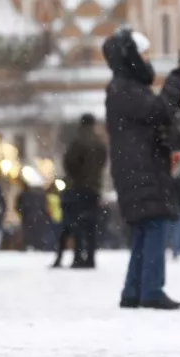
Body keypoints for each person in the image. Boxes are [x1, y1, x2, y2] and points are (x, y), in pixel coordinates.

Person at [104, 27, 180, 311]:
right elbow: (160, 111)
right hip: (142, 168)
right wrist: (175, 84)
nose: (149, 60)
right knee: (155, 225)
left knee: (145, 227)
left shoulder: (122, 87)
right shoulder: (126, 89)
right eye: (145, 54)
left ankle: (133, 290)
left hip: (135, 167)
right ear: (131, 58)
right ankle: (151, 289)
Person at [57, 113, 108, 269]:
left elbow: (69, 162)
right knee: (91, 224)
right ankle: (91, 257)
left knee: (78, 223)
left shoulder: (78, 141)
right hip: (94, 188)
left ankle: (79, 256)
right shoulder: (100, 143)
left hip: (78, 187)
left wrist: (75, 176)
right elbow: (102, 162)